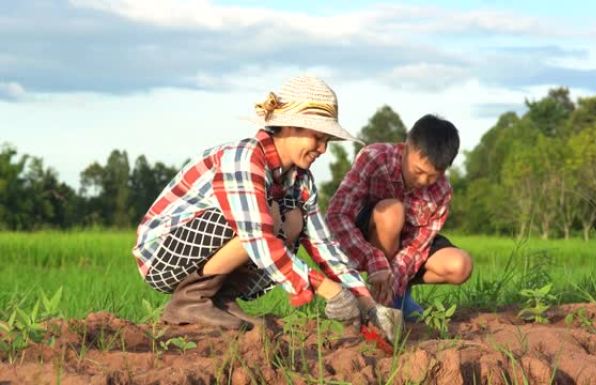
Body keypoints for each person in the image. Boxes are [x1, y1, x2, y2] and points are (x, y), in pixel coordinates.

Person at [132, 74, 400, 337]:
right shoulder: (244, 158)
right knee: (269, 213)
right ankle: (191, 299)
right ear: (289, 128)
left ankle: (221, 300)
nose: (323, 149)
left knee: (293, 217)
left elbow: (324, 245)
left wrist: (365, 302)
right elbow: (257, 237)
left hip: (209, 248)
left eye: (327, 141)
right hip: (162, 255)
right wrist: (329, 290)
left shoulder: (301, 180)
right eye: (318, 138)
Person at [326, 114, 473, 320]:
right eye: (418, 171)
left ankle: (394, 298)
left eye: (432, 176)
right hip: (366, 239)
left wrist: (394, 282)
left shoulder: (442, 191)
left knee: (460, 265)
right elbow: (336, 214)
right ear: (407, 145)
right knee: (392, 212)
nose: (423, 181)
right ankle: (366, 297)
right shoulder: (375, 157)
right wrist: (373, 259)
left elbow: (416, 247)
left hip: (406, 249)